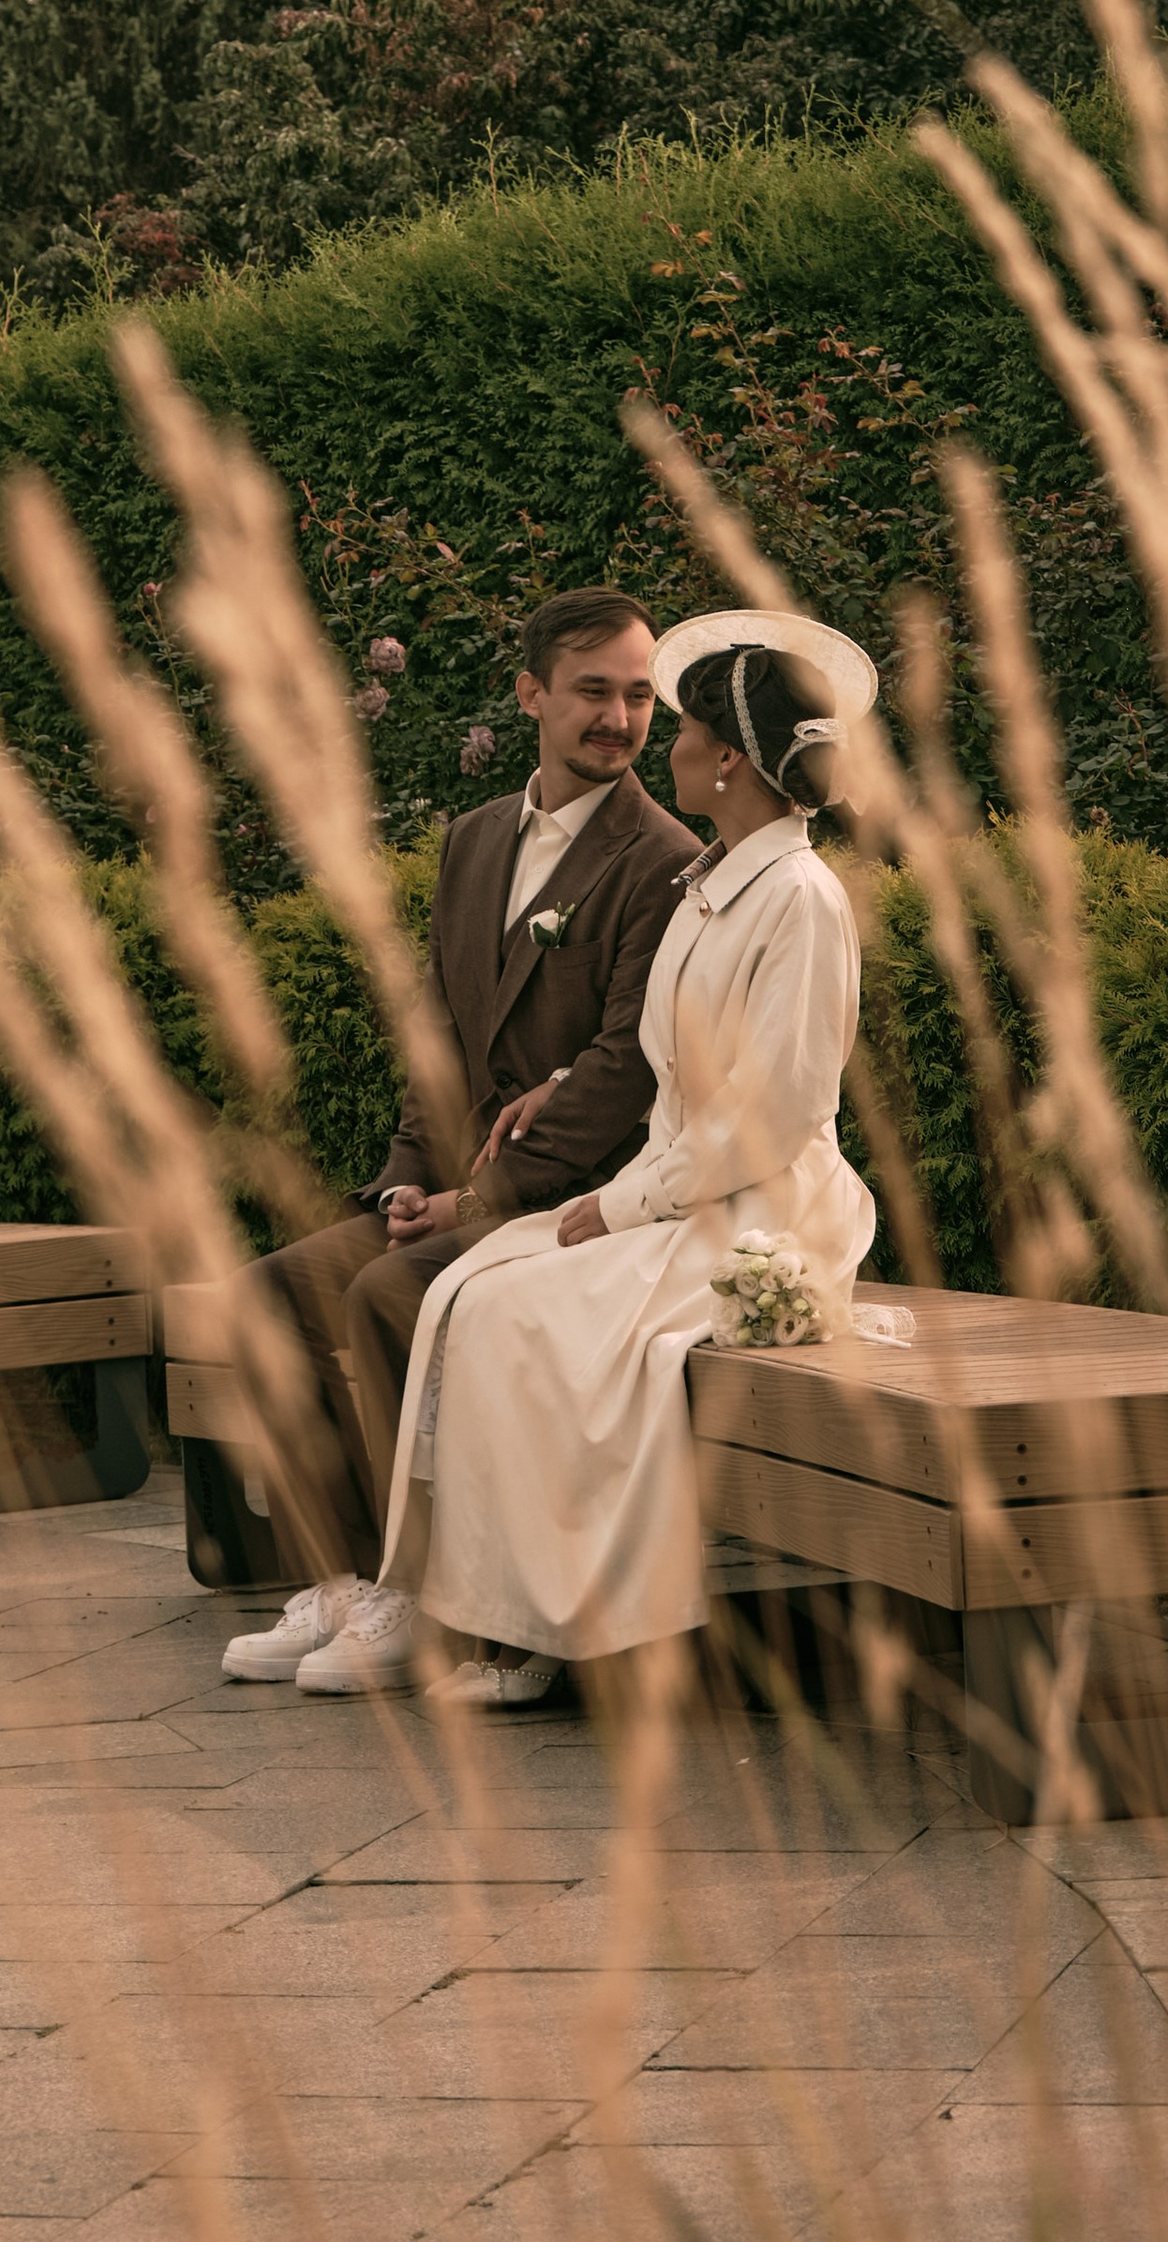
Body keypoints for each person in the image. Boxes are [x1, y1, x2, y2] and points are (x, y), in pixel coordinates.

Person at [373, 608, 879, 1709]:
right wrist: (591, 1144)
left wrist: (620, 1203)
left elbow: (775, 1113)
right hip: (681, 1186)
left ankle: (561, 1623)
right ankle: (493, 1605)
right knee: (477, 1287)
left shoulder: (800, 899)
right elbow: (671, 1075)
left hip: (765, 1208)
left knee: (527, 1317)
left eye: (685, 724)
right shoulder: (711, 881)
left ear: (731, 759)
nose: (667, 742)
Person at [220, 587, 700, 1693]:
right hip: (452, 1192)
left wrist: (475, 1206)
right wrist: (404, 1179)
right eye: (592, 692)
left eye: (637, 697)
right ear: (530, 692)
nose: (618, 720)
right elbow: (439, 1032)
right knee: (271, 1295)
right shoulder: (474, 840)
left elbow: (624, 1074)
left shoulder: (661, 858)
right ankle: (348, 1583)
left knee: (389, 1298)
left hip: (575, 1206)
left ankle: (423, 1596)